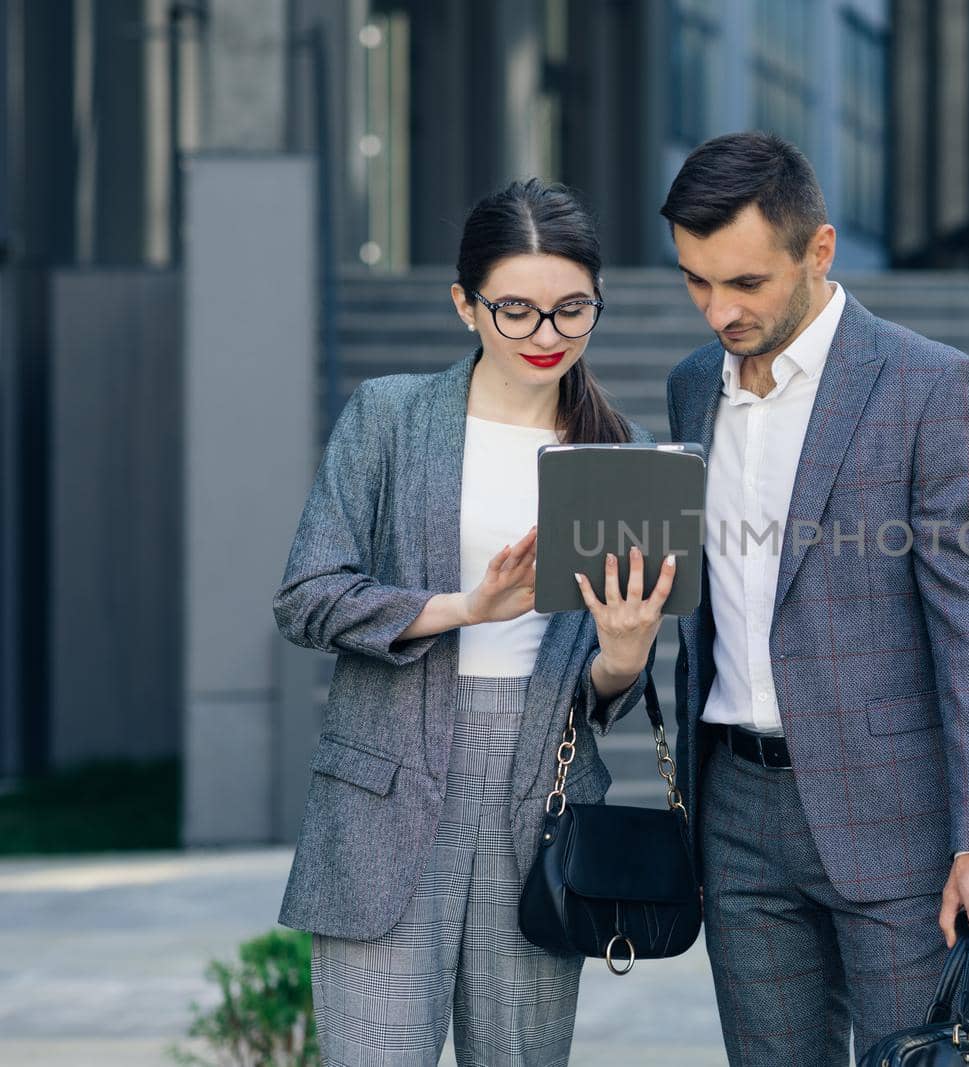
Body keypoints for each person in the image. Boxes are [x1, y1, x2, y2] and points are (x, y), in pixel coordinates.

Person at [272, 177, 673, 1066]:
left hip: (539, 799)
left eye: (573, 310)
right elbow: (306, 594)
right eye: (517, 311)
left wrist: (623, 655)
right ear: (466, 304)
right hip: (385, 796)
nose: (547, 337)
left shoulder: (625, 455)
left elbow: (607, 692)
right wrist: (463, 608)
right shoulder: (389, 416)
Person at [661, 131, 969, 1063]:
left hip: (894, 817)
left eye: (746, 283)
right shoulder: (692, 386)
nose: (717, 312)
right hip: (736, 814)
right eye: (696, 281)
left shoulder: (929, 386)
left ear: (819, 251)